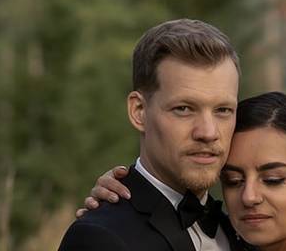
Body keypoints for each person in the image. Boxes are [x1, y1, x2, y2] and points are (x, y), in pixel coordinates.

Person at [82, 92, 286, 251]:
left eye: (273, 180)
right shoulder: (243, 241)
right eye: (233, 180)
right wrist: (130, 202)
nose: (249, 196)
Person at [58, 18, 242, 251]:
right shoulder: (98, 238)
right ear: (139, 111)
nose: (208, 132)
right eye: (183, 109)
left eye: (223, 110)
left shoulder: (244, 233)